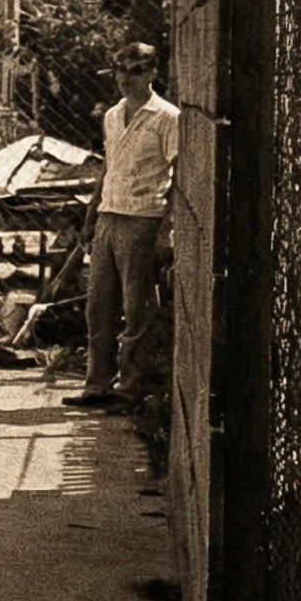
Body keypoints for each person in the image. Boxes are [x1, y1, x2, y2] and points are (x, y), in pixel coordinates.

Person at [66, 41, 179, 410]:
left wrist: (166, 229)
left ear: (151, 73)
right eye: (120, 71)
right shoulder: (113, 115)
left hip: (143, 218)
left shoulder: (167, 117)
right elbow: (108, 168)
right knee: (98, 306)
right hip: (109, 217)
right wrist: (90, 218)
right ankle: (96, 385)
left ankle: (129, 390)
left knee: (136, 309)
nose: (125, 80)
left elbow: (178, 176)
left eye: (134, 71)